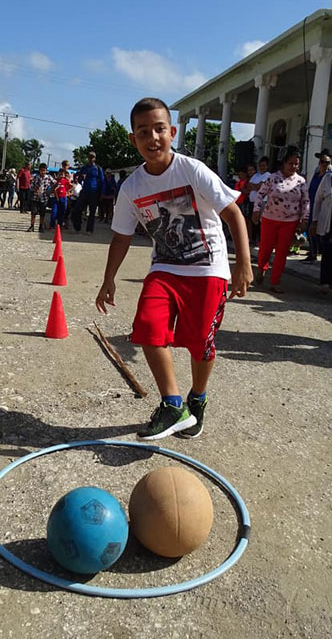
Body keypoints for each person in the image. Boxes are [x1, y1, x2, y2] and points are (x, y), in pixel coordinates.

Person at [96, 97, 252, 441]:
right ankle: (173, 404)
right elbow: (121, 236)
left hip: (208, 269)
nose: (152, 137)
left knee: (200, 343)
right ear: (133, 139)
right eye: (143, 132)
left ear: (173, 132)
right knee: (148, 327)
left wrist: (242, 263)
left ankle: (198, 398)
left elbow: (233, 213)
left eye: (159, 129)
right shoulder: (132, 187)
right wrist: (108, 279)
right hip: (165, 269)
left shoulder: (191, 170)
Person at [252, 146, 309, 293]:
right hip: (270, 219)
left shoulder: (301, 181)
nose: (294, 166)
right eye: (291, 163)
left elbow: (305, 201)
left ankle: (275, 281)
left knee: (282, 253)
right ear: (284, 163)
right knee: (265, 249)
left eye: (296, 164)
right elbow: (260, 195)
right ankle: (261, 269)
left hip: (290, 222)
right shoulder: (273, 178)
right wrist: (256, 210)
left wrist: (304, 219)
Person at [305, 149, 331, 263]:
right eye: (322, 161)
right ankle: (312, 251)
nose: (324, 164)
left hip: (325, 208)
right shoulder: (316, 175)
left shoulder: (329, 177)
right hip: (312, 204)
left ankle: (318, 252)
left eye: (327, 162)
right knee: (310, 228)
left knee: (322, 232)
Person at [72, 151, 104, 234]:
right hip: (85, 191)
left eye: (92, 157)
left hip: (94, 192)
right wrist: (81, 178)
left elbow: (102, 181)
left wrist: (101, 193)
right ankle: (77, 227)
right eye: (90, 157)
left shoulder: (98, 168)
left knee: (92, 212)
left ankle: (89, 230)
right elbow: (78, 178)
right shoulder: (84, 168)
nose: (91, 159)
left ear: (95, 158)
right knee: (77, 209)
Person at [311, 169, 332, 294]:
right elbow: (317, 200)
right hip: (328, 223)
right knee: (328, 251)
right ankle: (325, 282)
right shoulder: (327, 179)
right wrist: (314, 220)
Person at [247, 157, 271, 245]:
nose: (262, 167)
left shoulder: (268, 175)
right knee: (252, 221)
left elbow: (260, 188)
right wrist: (256, 186)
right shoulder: (255, 175)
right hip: (252, 201)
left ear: (267, 166)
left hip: (262, 202)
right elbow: (249, 186)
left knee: (260, 221)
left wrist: (256, 186)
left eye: (264, 166)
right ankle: (252, 239)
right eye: (260, 166)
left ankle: (260, 240)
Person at [27, 163, 54, 233]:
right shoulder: (36, 177)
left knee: (42, 213)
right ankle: (32, 225)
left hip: (44, 198)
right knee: (33, 212)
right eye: (41, 170)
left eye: (44, 170)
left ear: (46, 171)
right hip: (35, 197)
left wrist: (50, 191)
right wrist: (36, 189)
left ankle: (40, 226)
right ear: (39, 170)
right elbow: (31, 185)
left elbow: (55, 183)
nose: (42, 172)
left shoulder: (49, 177)